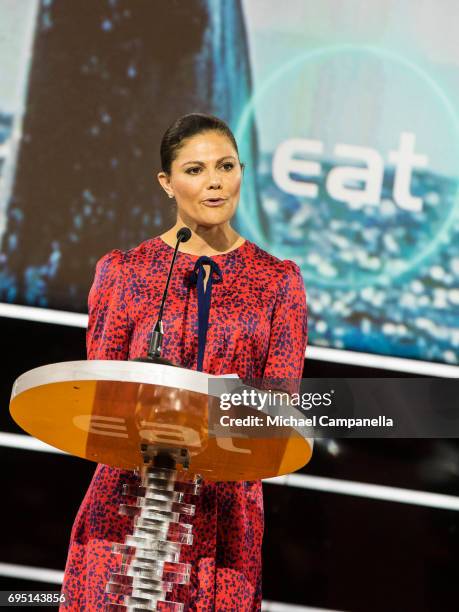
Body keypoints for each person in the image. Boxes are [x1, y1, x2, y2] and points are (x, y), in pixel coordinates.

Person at [60, 113, 308, 611]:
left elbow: (278, 415)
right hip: (127, 509)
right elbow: (100, 407)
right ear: (166, 184)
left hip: (224, 513)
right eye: (194, 170)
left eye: (226, 166)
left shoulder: (279, 283)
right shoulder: (126, 272)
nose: (214, 182)